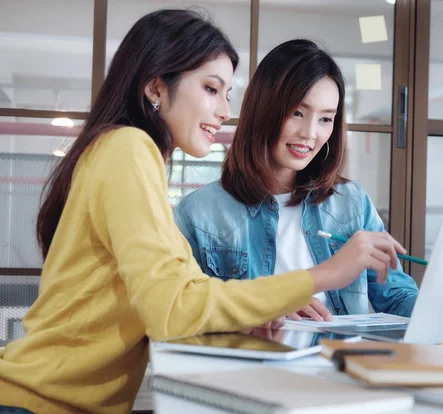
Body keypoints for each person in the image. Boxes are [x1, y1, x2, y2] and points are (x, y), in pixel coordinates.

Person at [0, 11, 406, 414]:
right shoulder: (128, 150)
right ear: (156, 87)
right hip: (39, 401)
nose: (225, 110)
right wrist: (323, 275)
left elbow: (181, 299)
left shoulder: (127, 155)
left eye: (227, 94)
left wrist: (242, 317)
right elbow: (173, 309)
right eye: (212, 89)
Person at [175, 39, 418, 324]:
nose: (310, 133)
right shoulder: (199, 214)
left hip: (341, 364)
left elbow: (398, 298)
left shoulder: (352, 204)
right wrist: (266, 307)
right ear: (263, 109)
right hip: (255, 364)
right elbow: (184, 313)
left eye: (326, 119)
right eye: (297, 113)